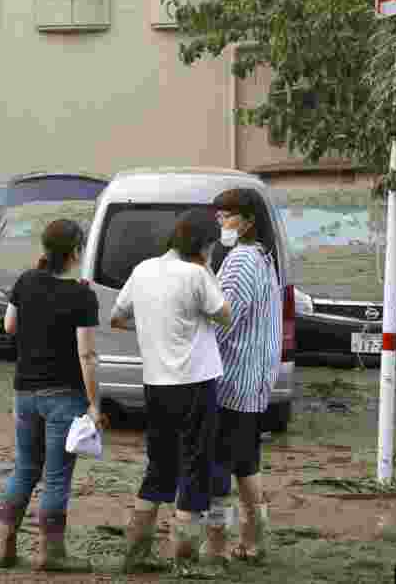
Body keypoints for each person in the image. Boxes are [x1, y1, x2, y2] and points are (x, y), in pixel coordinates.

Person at [110, 208, 231, 572]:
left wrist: (152, 330)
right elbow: (225, 314)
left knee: (159, 465)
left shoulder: (143, 269)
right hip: (196, 382)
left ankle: (136, 552)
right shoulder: (197, 274)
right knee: (196, 464)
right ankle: (185, 556)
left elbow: (117, 317)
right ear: (204, 245)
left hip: (156, 383)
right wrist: (208, 270)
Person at [0, 219, 101, 573]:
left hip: (25, 392)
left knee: (25, 468)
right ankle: (51, 554)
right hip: (64, 397)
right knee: (56, 477)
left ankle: (6, 546)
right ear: (75, 252)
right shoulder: (82, 295)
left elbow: (9, 326)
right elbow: (86, 354)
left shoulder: (26, 281)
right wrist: (95, 403)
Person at [201, 189, 282, 563]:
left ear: (248, 220)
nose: (221, 222)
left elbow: (223, 319)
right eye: (219, 216)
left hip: (231, 382)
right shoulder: (264, 258)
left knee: (219, 471)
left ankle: (216, 543)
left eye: (228, 215)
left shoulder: (241, 261)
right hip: (254, 382)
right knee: (247, 465)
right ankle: (255, 541)